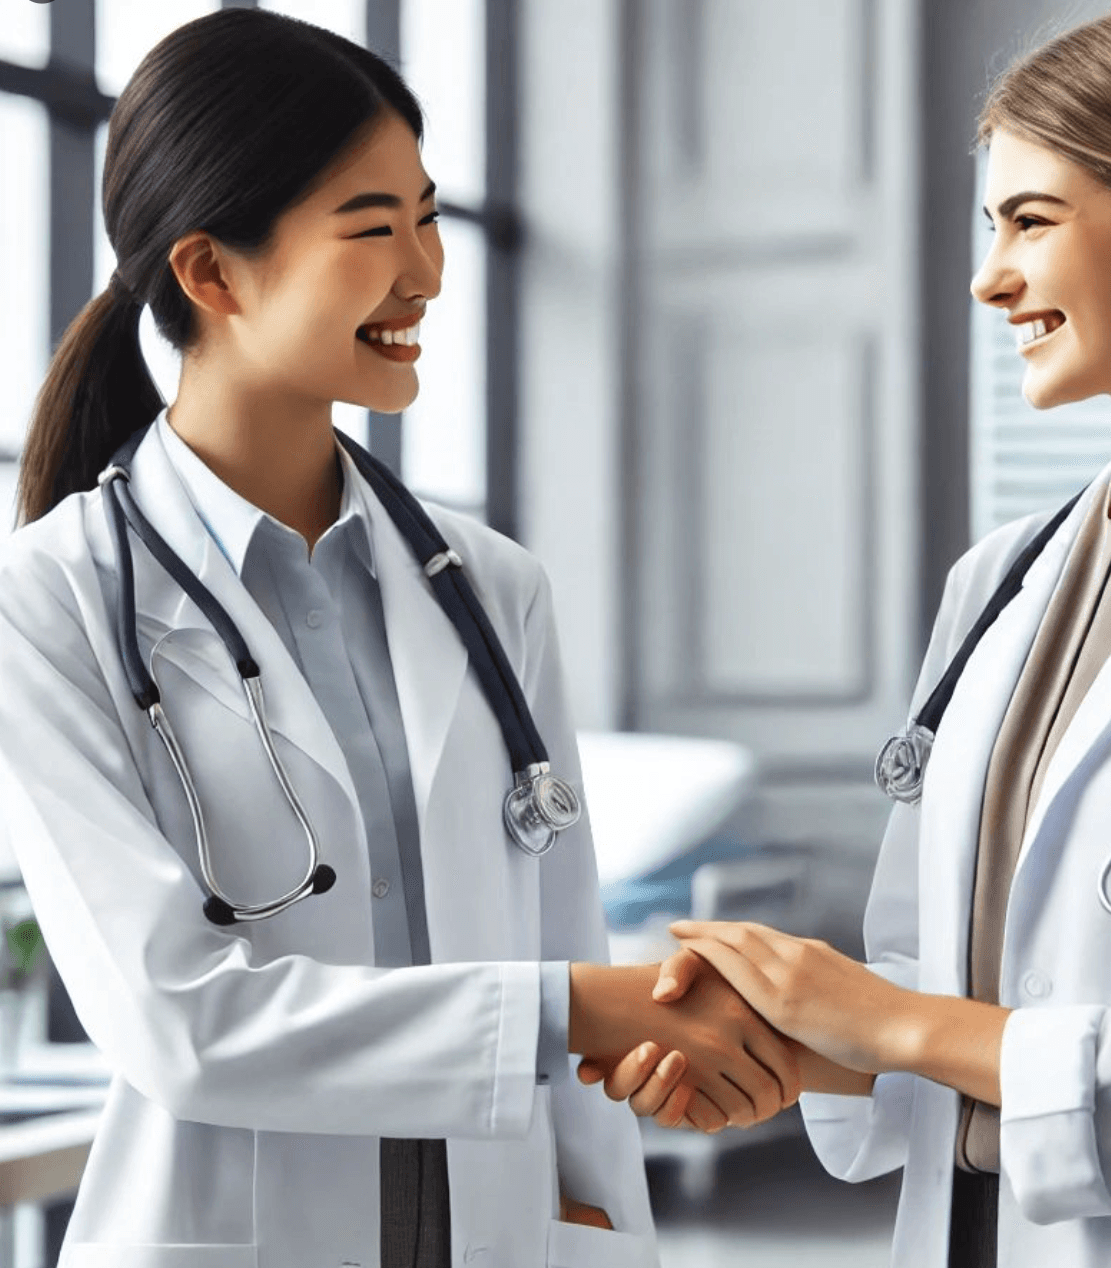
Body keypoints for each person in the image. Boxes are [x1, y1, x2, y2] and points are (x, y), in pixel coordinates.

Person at [587, 2, 1111, 1265]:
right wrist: (790, 1048)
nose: (989, 275)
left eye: (1030, 221)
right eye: (990, 224)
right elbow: (923, 988)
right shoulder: (1002, 583)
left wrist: (885, 1019)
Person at [0, 10, 800, 1266]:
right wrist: (571, 1012)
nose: (427, 271)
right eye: (375, 228)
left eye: (428, 216)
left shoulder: (491, 586)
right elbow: (178, 1021)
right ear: (213, 272)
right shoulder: (49, 600)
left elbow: (563, 927)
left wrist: (600, 1201)